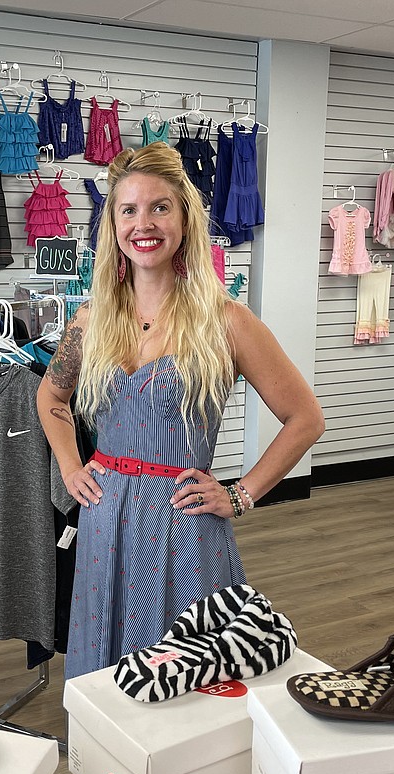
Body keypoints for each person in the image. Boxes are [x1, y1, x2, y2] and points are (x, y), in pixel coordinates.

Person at [36, 143, 324, 678]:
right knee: (106, 668)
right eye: (128, 210)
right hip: (105, 521)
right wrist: (71, 467)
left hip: (183, 523)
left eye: (159, 208)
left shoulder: (227, 321)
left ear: (184, 219)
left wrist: (241, 494)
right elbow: (51, 396)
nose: (143, 224)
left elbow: (306, 418)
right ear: (113, 224)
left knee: (185, 669)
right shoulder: (92, 319)